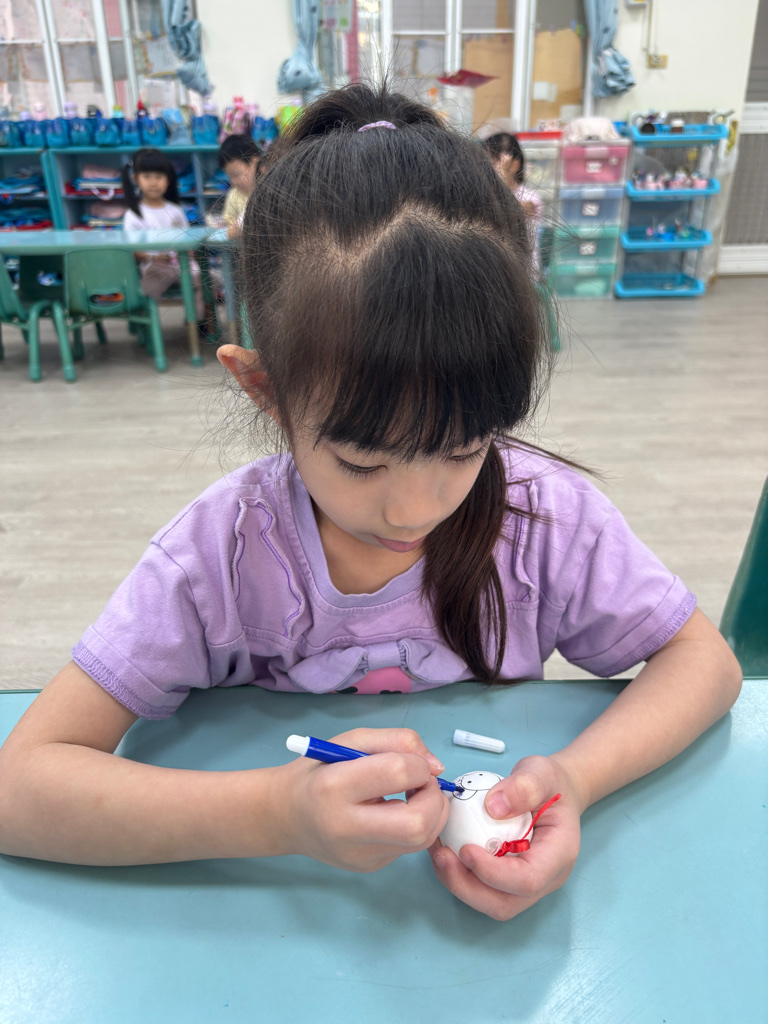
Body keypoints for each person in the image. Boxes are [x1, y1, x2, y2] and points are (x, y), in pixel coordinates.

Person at [0, 85, 741, 921]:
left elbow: (705, 664)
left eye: (463, 448)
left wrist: (575, 779)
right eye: (361, 461)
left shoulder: (543, 520)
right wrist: (275, 813)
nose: (413, 511)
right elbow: (19, 786)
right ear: (266, 391)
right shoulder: (220, 556)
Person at [121, 147, 205, 321]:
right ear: (136, 179)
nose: (153, 183)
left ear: (168, 180)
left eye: (159, 177)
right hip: (154, 266)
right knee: (149, 287)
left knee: (202, 282)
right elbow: (132, 251)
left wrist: (188, 252)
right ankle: (149, 326)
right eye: (147, 177)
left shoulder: (175, 210)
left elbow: (187, 240)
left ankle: (196, 322)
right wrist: (154, 257)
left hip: (181, 264)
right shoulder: (133, 215)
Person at [482, 132, 543, 268]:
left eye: (493, 163)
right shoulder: (487, 195)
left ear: (514, 165)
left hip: (523, 272)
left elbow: (509, 214)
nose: (487, 170)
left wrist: (503, 176)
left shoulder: (531, 198)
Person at [218, 134, 263, 238]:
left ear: (254, 162)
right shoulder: (234, 196)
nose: (233, 181)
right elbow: (228, 229)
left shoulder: (270, 190)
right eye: (230, 176)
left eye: (236, 174)